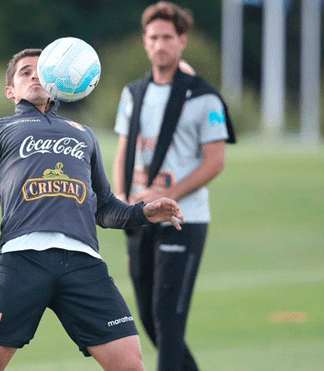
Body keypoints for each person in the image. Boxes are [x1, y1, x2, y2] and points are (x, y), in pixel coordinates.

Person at [0, 48, 186, 371]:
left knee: (130, 364)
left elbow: (104, 207)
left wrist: (143, 213)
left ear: (57, 80)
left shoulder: (83, 134)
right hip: (22, 259)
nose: (34, 75)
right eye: (24, 72)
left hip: (83, 262)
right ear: (11, 91)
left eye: (42, 70)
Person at [112, 2, 236, 371]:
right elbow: (123, 152)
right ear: (145, 42)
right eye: (153, 37)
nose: (160, 44)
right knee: (151, 321)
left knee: (168, 318)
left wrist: (168, 197)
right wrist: (121, 200)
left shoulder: (204, 97)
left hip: (184, 219)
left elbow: (215, 161)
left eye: (168, 37)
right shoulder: (132, 93)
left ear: (182, 41)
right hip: (139, 217)